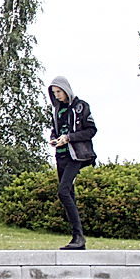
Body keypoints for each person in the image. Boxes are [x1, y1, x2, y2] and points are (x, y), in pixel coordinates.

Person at [48, 76, 97, 250]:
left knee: (63, 192)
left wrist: (69, 138)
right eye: (54, 93)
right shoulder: (56, 110)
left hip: (76, 156)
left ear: (66, 89)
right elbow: (55, 129)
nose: (57, 96)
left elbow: (91, 130)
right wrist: (54, 139)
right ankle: (78, 238)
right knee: (70, 194)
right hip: (60, 156)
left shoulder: (81, 106)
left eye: (59, 92)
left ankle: (78, 236)